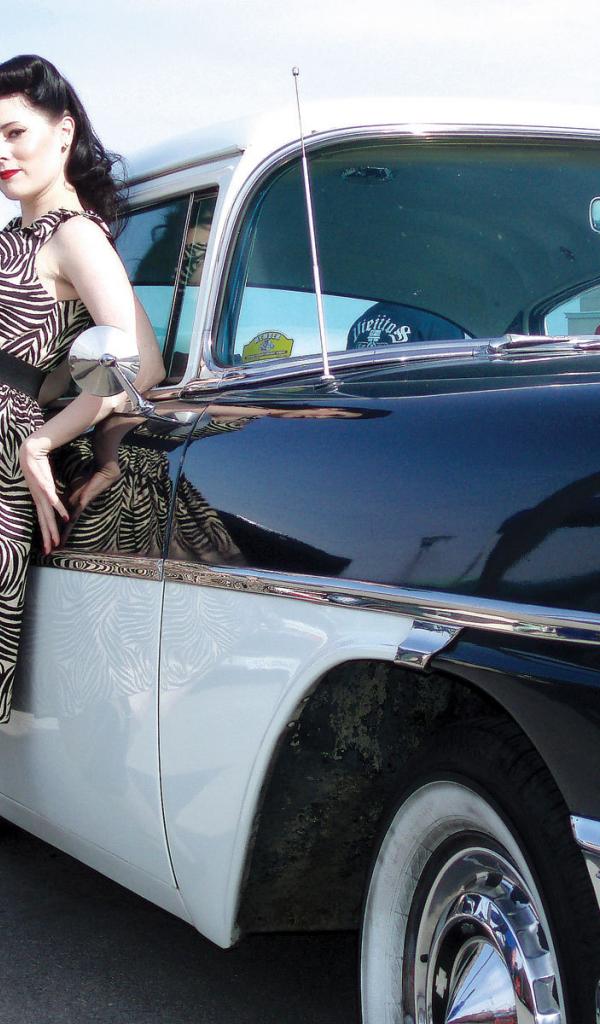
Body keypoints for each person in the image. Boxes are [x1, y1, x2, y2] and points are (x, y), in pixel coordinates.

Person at [0, 54, 165, 723]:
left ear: (63, 132)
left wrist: (44, 441)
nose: (1, 152)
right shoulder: (15, 236)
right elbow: (146, 362)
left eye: (15, 132)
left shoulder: (75, 236)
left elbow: (127, 366)